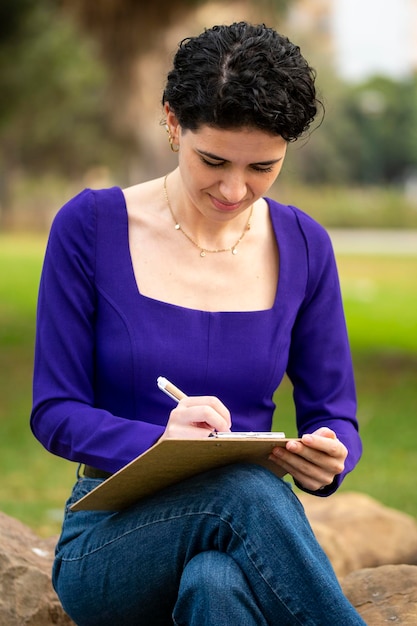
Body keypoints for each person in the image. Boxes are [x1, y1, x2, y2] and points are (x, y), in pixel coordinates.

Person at [30, 21, 365, 626]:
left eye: (263, 167)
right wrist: (160, 444)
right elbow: (54, 411)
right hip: (111, 536)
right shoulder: (90, 227)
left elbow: (334, 411)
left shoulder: (305, 245)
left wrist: (332, 454)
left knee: (217, 586)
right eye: (213, 160)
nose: (236, 189)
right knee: (244, 490)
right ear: (171, 122)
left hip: (244, 532)